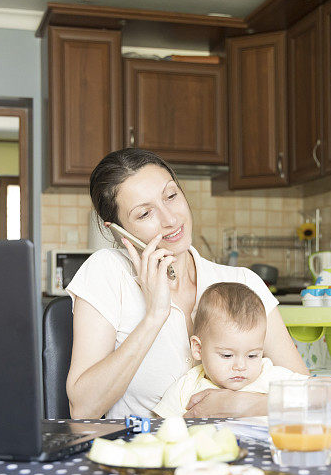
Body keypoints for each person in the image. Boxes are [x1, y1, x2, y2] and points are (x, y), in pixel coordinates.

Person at [65, 148, 309, 419]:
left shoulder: (242, 281)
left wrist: (236, 404)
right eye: (145, 213)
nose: (170, 219)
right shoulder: (107, 273)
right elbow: (83, 409)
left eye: (171, 196)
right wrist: (154, 316)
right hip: (146, 453)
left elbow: (307, 394)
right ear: (118, 229)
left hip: (235, 453)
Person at [153, 282, 331, 418]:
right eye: (227, 355)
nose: (241, 365)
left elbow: (323, 388)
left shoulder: (270, 375)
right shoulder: (187, 387)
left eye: (252, 355)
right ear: (198, 349)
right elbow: (160, 428)